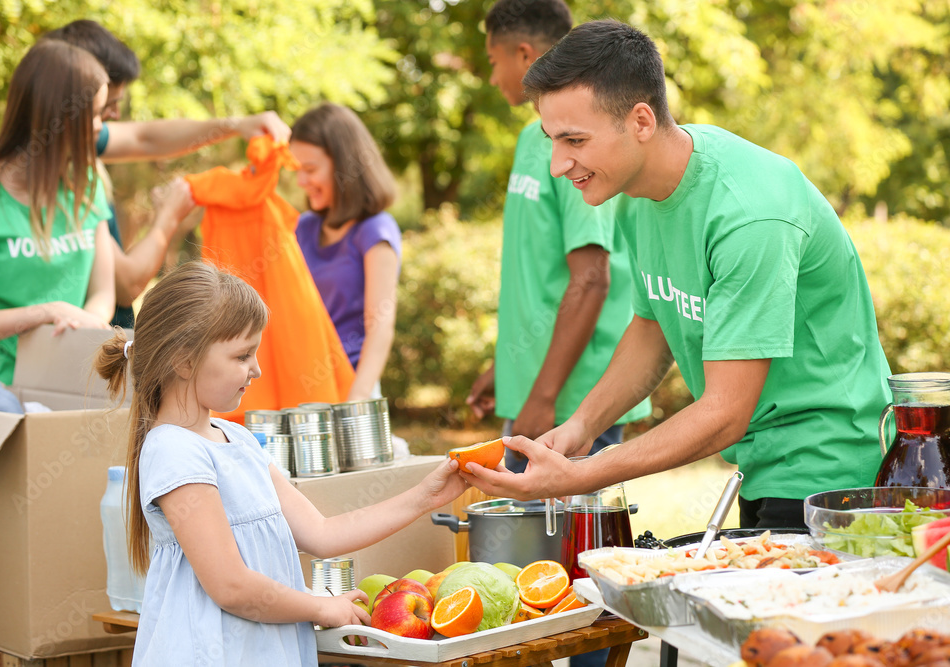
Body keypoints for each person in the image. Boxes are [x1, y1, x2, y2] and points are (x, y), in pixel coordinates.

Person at [460, 20, 892, 530]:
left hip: (834, 476)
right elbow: (652, 327)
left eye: (574, 139)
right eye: (553, 140)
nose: (558, 164)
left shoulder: (750, 214)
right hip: (762, 467)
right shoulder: (635, 194)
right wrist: (579, 428)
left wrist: (585, 473)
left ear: (641, 121)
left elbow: (725, 410)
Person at [94, 261, 466, 665]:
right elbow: (230, 586)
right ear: (183, 361)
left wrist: (427, 496)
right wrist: (320, 607)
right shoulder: (174, 452)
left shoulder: (235, 438)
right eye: (242, 355)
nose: (255, 370)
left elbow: (321, 533)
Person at [467, 0, 650, 476]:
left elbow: (590, 279)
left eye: (493, 61)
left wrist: (544, 396)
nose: (492, 77)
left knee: (569, 545)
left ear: (524, 54)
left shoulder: (579, 146)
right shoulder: (537, 141)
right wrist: (507, 368)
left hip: (574, 401)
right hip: (533, 389)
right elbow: (538, 275)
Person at [43, 20, 290, 329]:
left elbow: (146, 137)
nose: (113, 118)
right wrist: (168, 216)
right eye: (106, 106)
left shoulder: (79, 146)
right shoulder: (61, 178)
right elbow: (126, 284)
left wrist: (236, 125)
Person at [0, 40, 115, 386]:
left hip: (78, 386)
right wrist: (45, 313)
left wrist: (86, 326)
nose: (102, 126)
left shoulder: (88, 184)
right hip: (2, 392)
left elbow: (103, 292)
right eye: (94, 115)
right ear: (60, 118)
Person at [291, 103, 401, 401]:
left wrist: (357, 400)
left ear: (343, 165)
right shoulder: (304, 228)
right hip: (304, 388)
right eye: (297, 170)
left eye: (310, 169)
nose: (302, 181)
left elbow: (379, 327)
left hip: (353, 387)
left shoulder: (375, 231)